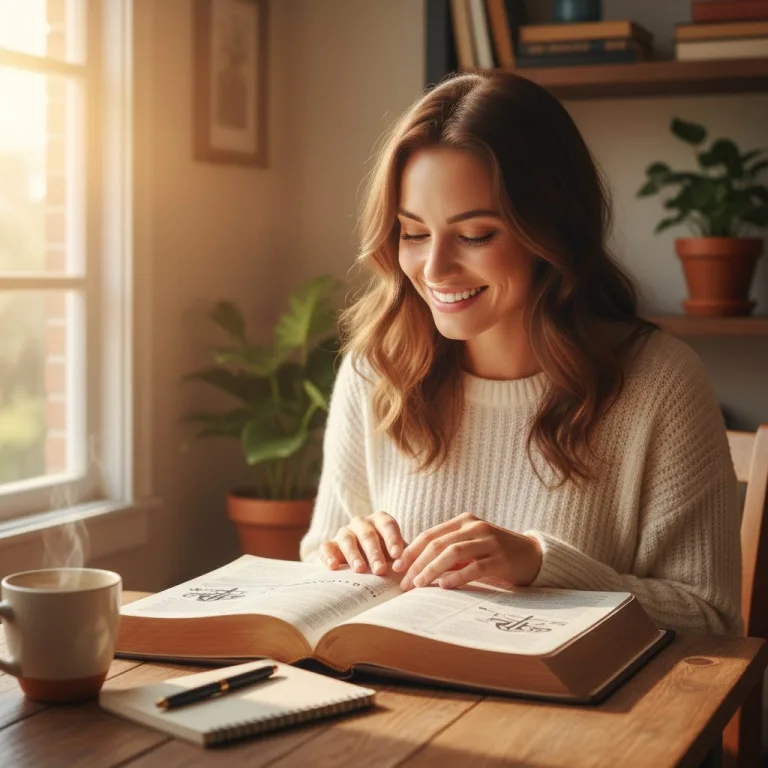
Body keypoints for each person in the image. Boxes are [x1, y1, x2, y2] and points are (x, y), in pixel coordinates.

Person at [299, 71, 741, 635]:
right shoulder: (376, 368)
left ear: (551, 233)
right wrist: (341, 560)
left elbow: (713, 622)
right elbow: (315, 568)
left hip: (580, 721)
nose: (434, 270)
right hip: (400, 706)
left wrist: (539, 565)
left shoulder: (660, 383)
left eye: (475, 235)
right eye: (412, 233)